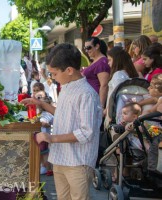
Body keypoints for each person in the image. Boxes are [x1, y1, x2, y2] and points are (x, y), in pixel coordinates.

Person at [22, 43, 102, 200]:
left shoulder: (86, 94)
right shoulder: (66, 86)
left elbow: (86, 133)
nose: (52, 78)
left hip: (78, 162)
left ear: (69, 70)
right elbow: (63, 115)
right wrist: (42, 104)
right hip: (60, 157)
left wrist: (52, 138)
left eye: (54, 73)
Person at [83, 37, 110, 108]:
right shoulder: (96, 61)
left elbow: (104, 85)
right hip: (91, 100)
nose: (87, 51)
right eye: (85, 48)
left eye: (89, 48)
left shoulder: (102, 62)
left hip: (96, 101)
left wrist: (100, 106)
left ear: (97, 46)